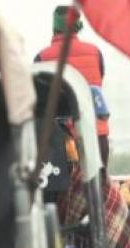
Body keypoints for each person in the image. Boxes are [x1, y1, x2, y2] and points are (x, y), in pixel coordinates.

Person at [37, 6, 111, 164]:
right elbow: (99, 84)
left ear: (54, 27)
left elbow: (38, 99)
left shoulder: (43, 57)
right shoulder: (95, 52)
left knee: (67, 187)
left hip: (62, 141)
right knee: (97, 187)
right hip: (97, 139)